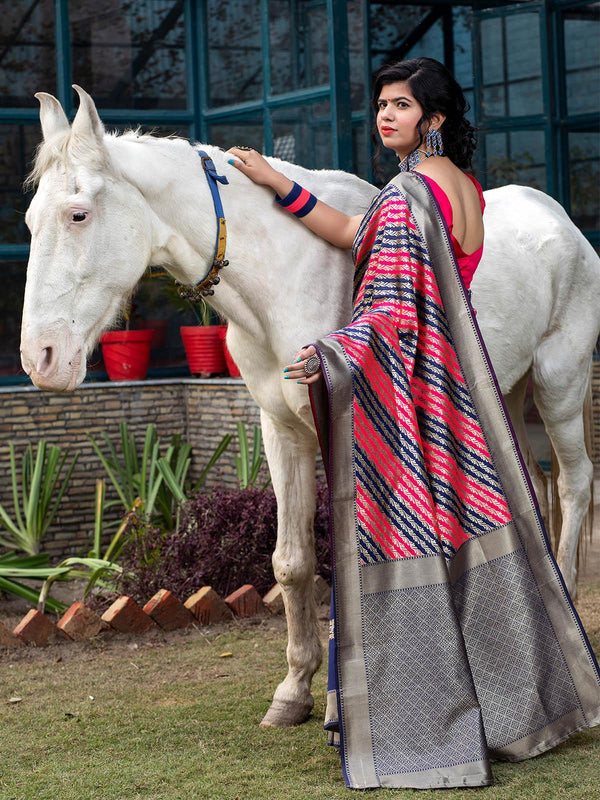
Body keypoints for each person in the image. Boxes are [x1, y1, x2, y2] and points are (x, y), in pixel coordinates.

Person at [228, 57, 600, 791]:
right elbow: (354, 232)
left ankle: (427, 718)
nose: (385, 116)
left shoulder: (406, 196)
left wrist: (330, 353)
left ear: (432, 118)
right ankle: (511, 705)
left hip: (418, 398)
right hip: (465, 389)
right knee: (479, 551)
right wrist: (281, 186)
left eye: (401, 106)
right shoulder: (456, 190)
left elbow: (393, 310)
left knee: (411, 551)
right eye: (380, 105)